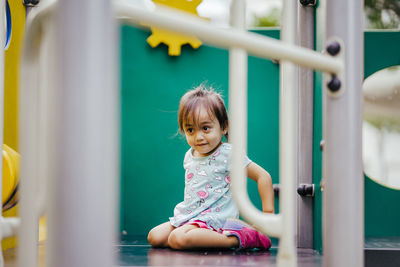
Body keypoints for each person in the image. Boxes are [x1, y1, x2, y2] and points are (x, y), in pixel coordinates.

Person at [147, 85, 274, 250]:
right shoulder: (189, 155)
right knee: (154, 236)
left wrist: (267, 217)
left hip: (216, 219)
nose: (198, 137)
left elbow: (263, 176)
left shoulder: (228, 153)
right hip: (190, 216)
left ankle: (238, 239)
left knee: (178, 238)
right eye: (190, 130)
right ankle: (195, 233)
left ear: (224, 126)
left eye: (205, 128)